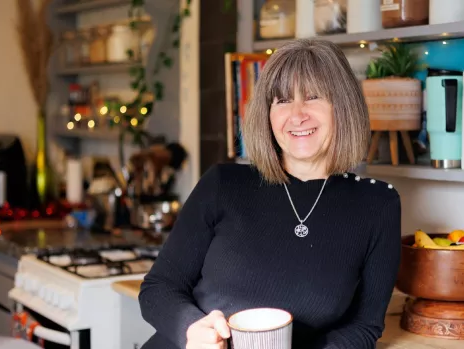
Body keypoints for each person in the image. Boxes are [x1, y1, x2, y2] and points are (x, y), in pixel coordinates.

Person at [138, 38, 402, 349]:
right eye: (282, 101)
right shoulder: (224, 184)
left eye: (313, 97)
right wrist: (191, 330)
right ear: (267, 114)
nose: (297, 114)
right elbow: (158, 287)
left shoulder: (377, 205)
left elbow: (364, 325)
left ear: (342, 107)